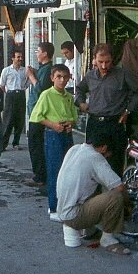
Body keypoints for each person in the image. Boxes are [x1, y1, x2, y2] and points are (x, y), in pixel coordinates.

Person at [52, 127, 130, 255]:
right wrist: (128, 205)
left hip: (62, 208)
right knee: (115, 197)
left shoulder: (75, 149)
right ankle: (108, 239)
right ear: (104, 148)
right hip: (74, 215)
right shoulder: (95, 158)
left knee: (95, 186)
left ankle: (89, 231)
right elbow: (119, 187)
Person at [75, 43, 138, 176]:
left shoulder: (122, 74)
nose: (104, 66)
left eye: (107, 62)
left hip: (115, 124)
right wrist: (81, 103)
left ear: (112, 59)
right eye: (100, 62)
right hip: (95, 124)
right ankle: (94, 196)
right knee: (91, 162)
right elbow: (79, 89)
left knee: (115, 163)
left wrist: (128, 111)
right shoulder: (90, 76)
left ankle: (114, 195)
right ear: (94, 59)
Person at [29, 64, 78, 215]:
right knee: (54, 170)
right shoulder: (47, 95)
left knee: (68, 170)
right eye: (59, 77)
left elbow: (74, 117)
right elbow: (36, 116)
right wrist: (53, 125)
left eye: (65, 77)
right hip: (53, 134)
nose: (62, 80)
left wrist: (70, 123)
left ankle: (66, 204)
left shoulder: (69, 97)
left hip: (66, 133)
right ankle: (54, 206)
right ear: (52, 78)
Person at [25, 41, 55, 187]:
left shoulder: (49, 69)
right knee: (35, 144)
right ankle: (40, 174)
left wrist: (31, 76)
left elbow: (41, 88)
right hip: (35, 112)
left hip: (40, 113)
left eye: (38, 51)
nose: (36, 53)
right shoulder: (43, 68)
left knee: (36, 144)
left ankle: (40, 175)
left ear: (45, 53)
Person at [0, 50, 29, 150]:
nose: (20, 59)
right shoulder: (6, 70)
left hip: (20, 94)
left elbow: (27, 84)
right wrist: (9, 92)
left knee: (19, 120)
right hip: (10, 95)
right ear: (13, 58)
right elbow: (2, 85)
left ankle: (16, 143)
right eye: (18, 57)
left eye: (21, 57)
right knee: (8, 120)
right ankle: (3, 144)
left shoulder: (24, 70)